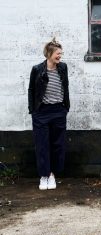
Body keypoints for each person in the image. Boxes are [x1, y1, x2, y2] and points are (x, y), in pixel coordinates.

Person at [28, 38, 70, 190]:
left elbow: (65, 87)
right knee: (42, 145)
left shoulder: (63, 67)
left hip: (59, 110)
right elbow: (31, 90)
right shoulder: (37, 69)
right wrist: (33, 110)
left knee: (57, 144)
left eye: (61, 53)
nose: (60, 56)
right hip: (41, 112)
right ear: (49, 54)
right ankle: (43, 176)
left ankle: (51, 174)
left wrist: (65, 108)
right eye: (58, 53)